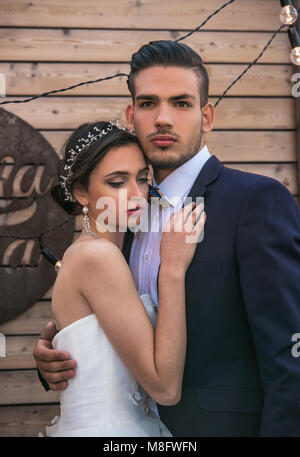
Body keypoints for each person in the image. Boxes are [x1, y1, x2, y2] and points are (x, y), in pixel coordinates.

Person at [34, 41, 300, 437]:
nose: (162, 119)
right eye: (147, 103)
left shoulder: (255, 202)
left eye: (181, 103)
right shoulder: (119, 218)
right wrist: (59, 358)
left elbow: (289, 357)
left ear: (206, 116)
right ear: (131, 115)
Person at [37, 120, 205, 437]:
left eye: (142, 179)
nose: (137, 195)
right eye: (117, 183)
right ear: (82, 193)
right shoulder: (97, 257)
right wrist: (172, 269)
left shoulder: (107, 251)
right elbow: (166, 389)